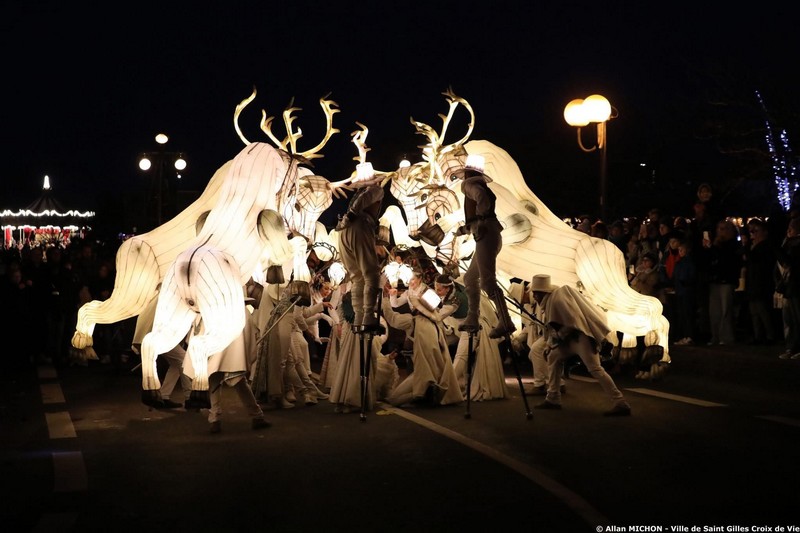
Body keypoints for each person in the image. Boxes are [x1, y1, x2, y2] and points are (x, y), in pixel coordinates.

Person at [531, 275, 631, 416]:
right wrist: (550, 344)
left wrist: (557, 337)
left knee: (595, 369)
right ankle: (553, 397)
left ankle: (620, 402)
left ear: (544, 292)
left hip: (581, 337)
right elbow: (556, 326)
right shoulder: (551, 300)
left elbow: (572, 322)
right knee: (554, 357)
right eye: (534, 292)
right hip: (570, 339)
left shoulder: (557, 299)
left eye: (536, 293)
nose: (534, 296)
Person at [449, 155, 515, 339]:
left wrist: (481, 220)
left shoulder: (469, 184)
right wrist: (464, 230)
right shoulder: (480, 185)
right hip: (490, 235)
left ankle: (506, 321)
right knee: (470, 278)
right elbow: (478, 215)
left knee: (487, 281)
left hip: (487, 236)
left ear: (468, 173)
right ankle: (472, 317)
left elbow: (482, 200)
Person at [335, 164, 386, 331]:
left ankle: (359, 315)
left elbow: (360, 200)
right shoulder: (376, 190)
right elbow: (365, 199)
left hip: (344, 230)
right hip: (359, 226)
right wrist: (351, 215)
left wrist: (348, 218)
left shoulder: (356, 195)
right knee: (371, 272)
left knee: (357, 276)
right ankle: (368, 314)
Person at [705, 219, 742, 345]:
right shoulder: (716, 245)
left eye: (723, 229)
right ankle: (715, 335)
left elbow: (730, 261)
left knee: (726, 309)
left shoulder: (733, 245)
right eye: (719, 229)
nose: (720, 232)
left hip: (727, 279)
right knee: (715, 310)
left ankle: (726, 336)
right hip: (715, 279)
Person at [743, 218, 776, 345]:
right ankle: (758, 335)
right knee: (754, 312)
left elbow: (755, 260)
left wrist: (747, 248)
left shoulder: (765, 246)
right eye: (751, 231)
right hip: (753, 282)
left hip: (762, 282)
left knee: (763, 310)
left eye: (756, 231)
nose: (753, 233)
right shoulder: (753, 246)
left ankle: (770, 336)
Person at [776, 217, 800, 359]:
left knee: (797, 319)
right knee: (791, 320)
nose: (788, 232)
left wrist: (779, 251)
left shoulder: (795, 246)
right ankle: (792, 347)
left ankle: (795, 348)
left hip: (796, 286)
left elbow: (790, 262)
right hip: (789, 286)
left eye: (791, 229)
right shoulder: (788, 244)